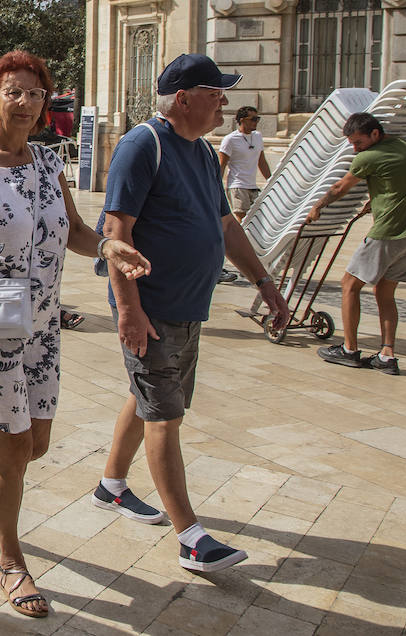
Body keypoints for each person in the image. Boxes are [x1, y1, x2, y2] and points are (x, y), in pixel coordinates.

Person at [0, 51, 150, 619]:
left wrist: (108, 246)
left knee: (34, 445)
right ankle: (10, 561)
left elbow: (71, 230)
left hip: (42, 323)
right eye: (14, 92)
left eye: (35, 93)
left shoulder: (48, 162)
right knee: (15, 448)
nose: (26, 103)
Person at [92, 53, 290, 573]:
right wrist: (129, 310)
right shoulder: (143, 145)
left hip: (187, 307)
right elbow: (117, 234)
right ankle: (191, 538)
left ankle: (111, 485)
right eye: (215, 92)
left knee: (153, 397)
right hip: (151, 308)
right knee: (166, 415)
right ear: (183, 99)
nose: (224, 100)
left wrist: (264, 281)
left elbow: (225, 226)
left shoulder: (202, 153)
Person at [308, 112, 406, 376]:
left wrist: (317, 206)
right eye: (351, 144)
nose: (355, 149)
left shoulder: (369, 156)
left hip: (388, 234)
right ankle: (387, 356)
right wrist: (377, 201)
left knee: (349, 285)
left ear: (375, 134)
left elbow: (340, 187)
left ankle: (350, 350)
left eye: (358, 142)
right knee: (384, 293)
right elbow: (399, 183)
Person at [218, 106, 271, 220]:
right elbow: (222, 165)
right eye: (253, 119)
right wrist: (216, 186)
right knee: (242, 220)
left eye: (257, 119)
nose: (255, 122)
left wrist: (271, 181)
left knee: (255, 220)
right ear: (242, 120)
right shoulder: (230, 139)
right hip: (237, 185)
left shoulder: (257, 136)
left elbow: (262, 162)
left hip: (252, 186)